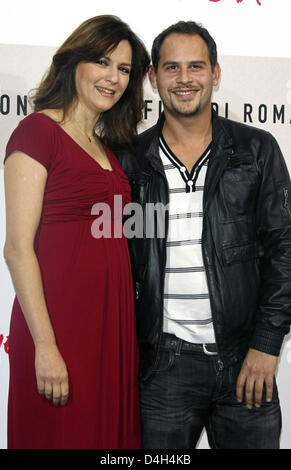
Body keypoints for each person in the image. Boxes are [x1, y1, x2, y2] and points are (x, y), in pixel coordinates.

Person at [116, 21, 291, 449]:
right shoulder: (129, 162)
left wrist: (267, 345)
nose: (184, 79)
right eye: (171, 68)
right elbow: (116, 261)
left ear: (215, 73)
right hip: (162, 371)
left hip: (246, 363)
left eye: (196, 66)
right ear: (153, 78)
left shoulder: (256, 150)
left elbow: (284, 250)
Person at [3, 15, 149, 449]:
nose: (113, 78)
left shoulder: (109, 147)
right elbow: (16, 249)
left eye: (124, 69)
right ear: (74, 62)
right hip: (60, 328)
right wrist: (46, 347)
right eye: (103, 62)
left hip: (112, 329)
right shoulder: (37, 131)